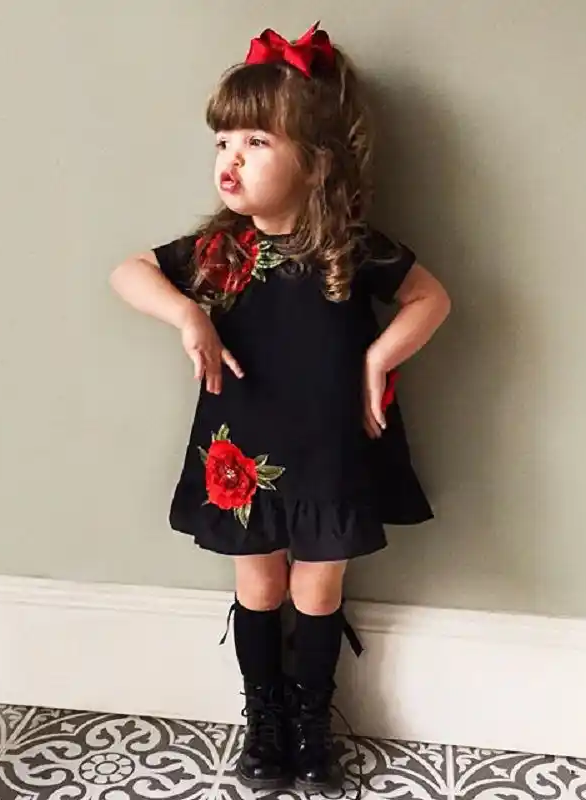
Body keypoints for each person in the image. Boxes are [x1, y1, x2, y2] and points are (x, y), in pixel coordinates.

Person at [110, 22, 451, 794]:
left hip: (331, 446)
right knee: (259, 587)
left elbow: (432, 298)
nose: (229, 159)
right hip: (242, 456)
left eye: (256, 142)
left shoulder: (350, 245)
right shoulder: (219, 251)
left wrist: (377, 357)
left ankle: (310, 724)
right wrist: (187, 315)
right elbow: (127, 271)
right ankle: (264, 723)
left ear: (316, 161)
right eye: (223, 141)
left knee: (318, 590)